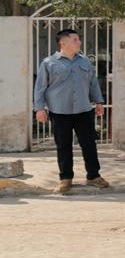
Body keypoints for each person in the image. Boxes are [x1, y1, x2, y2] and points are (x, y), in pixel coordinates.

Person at [33, 29, 111, 195]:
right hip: (59, 111)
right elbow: (40, 88)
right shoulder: (48, 63)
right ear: (63, 43)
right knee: (63, 146)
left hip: (83, 109)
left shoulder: (84, 62)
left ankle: (93, 176)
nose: (79, 42)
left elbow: (93, 83)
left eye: (79, 39)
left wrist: (99, 101)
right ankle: (65, 179)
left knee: (89, 144)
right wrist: (39, 108)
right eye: (75, 40)